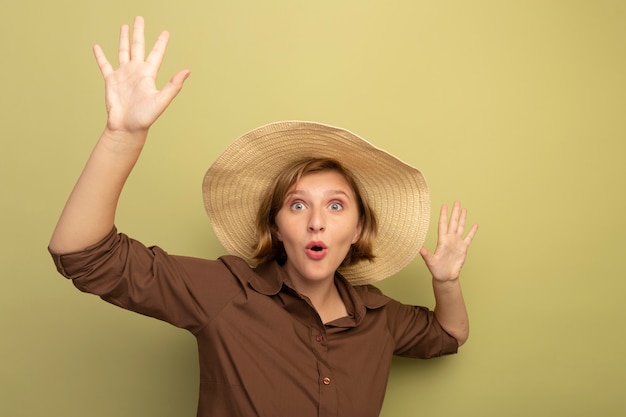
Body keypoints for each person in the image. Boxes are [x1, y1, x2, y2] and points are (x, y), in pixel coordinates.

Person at [49, 16, 478, 417]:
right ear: (276, 226)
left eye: (335, 205)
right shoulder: (225, 293)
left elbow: (449, 334)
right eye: (297, 205)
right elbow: (84, 256)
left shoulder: (381, 317)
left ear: (358, 229)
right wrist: (122, 137)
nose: (316, 221)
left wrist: (446, 282)